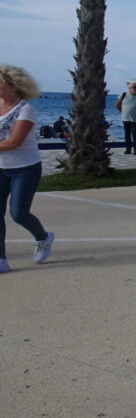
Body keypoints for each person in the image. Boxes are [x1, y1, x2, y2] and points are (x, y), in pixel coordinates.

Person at [0, 65, 55, 273]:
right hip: (0, 168)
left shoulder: (25, 110)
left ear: (13, 86)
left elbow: (14, 142)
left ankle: (43, 238)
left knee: (18, 213)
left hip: (24, 169)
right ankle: (1, 259)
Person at [115, 82, 136, 155]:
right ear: (129, 88)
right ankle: (128, 149)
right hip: (125, 118)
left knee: (135, 134)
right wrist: (123, 112)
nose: (135, 89)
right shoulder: (124, 95)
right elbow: (117, 105)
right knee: (127, 134)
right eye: (133, 87)